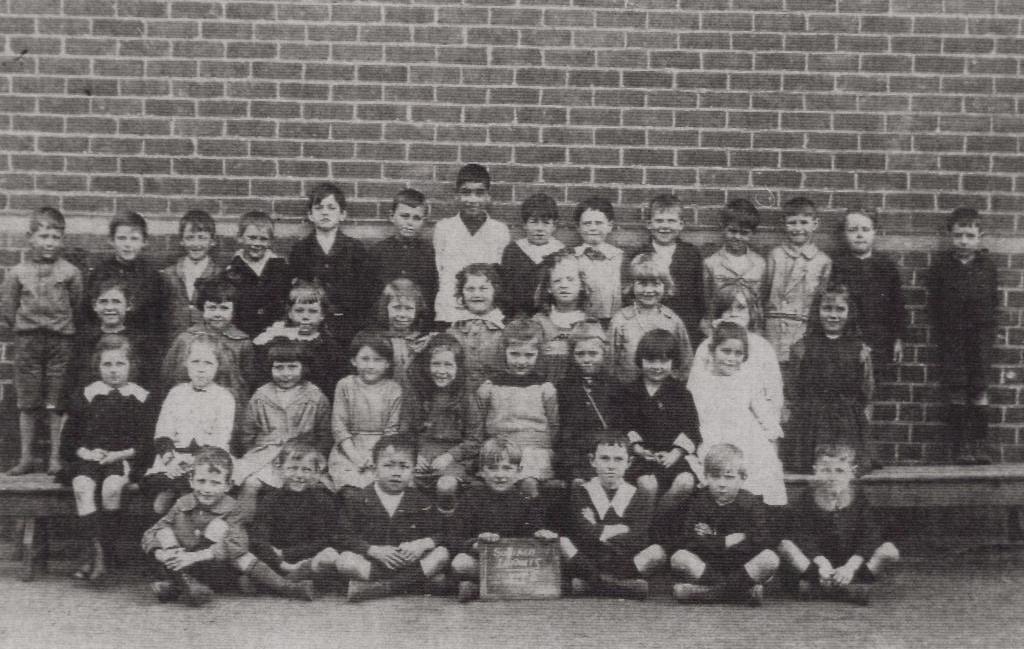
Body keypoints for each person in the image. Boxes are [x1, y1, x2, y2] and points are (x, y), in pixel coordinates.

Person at [141, 447, 315, 606]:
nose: (206, 489)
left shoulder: (233, 508)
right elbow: (151, 532)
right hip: (181, 563)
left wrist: (196, 556)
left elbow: (238, 543)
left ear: (228, 485)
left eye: (215, 483)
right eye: (201, 481)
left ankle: (286, 587)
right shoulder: (182, 504)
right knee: (164, 532)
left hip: (215, 565)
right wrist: (163, 553)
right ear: (191, 480)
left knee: (224, 535)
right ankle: (185, 585)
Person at [60, 334, 154, 583]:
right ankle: (97, 553)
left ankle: (104, 553)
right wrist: (87, 452)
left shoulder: (141, 397)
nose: (113, 371)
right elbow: (69, 441)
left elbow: (147, 442)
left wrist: (119, 454)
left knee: (112, 488)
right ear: (97, 366)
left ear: (131, 365)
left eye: (120, 364)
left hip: (122, 458)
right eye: (107, 365)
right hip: (89, 458)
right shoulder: (87, 395)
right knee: (82, 486)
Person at [311, 435, 450, 602]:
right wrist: (372, 550)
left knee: (441, 554)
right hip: (373, 563)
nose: (396, 473)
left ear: (413, 471)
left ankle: (379, 589)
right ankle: (410, 584)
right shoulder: (358, 499)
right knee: (345, 561)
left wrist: (421, 544)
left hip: (408, 562)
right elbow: (341, 536)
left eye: (404, 467)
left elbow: (442, 532)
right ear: (375, 468)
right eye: (388, 466)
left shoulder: (422, 501)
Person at [0, 206, 84, 475]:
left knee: (56, 401)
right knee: (28, 401)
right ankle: (26, 458)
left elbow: (78, 306)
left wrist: (57, 328)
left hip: (61, 343)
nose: (49, 243)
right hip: (28, 343)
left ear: (63, 239)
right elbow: (8, 310)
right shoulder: (17, 273)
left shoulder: (70, 273)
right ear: (30, 237)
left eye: (55, 237)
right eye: (43, 236)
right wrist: (29, 329)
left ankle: (55, 458)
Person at [778, 443, 900, 605]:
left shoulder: (859, 499)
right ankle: (832, 586)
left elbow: (870, 535)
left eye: (840, 471)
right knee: (785, 545)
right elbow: (802, 535)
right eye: (825, 470)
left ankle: (836, 586)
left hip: (849, 564)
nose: (832, 477)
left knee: (890, 551)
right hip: (818, 565)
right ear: (815, 471)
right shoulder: (807, 498)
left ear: (852, 472)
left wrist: (850, 566)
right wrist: (821, 564)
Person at [927, 207, 999, 464]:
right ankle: (959, 448)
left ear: (980, 236)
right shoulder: (942, 267)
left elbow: (993, 302)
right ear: (950, 235)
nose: (964, 241)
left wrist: (987, 333)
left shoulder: (987, 266)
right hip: (952, 338)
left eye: (970, 235)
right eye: (959, 235)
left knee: (979, 388)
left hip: (979, 338)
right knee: (956, 389)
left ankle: (980, 445)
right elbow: (934, 305)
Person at [665, 444, 780, 605]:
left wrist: (713, 540)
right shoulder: (698, 502)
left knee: (770, 558)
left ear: (742, 478)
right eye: (715, 476)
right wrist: (724, 541)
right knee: (679, 558)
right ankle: (741, 593)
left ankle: (706, 593)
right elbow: (690, 539)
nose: (722, 484)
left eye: (729, 477)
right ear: (706, 476)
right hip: (708, 566)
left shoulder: (751, 503)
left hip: (741, 566)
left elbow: (760, 539)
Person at [559, 431, 667, 600]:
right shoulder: (582, 492)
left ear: (629, 462)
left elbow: (639, 537)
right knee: (563, 542)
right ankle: (614, 586)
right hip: (589, 560)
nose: (611, 465)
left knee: (656, 552)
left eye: (618, 459)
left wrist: (599, 530)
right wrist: (620, 528)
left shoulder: (638, 495)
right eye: (604, 458)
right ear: (592, 460)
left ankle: (590, 585)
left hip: (623, 563)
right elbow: (581, 533)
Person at [689, 322, 787, 505]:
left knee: (762, 465)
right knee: (720, 467)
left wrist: (771, 431)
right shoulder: (701, 383)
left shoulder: (747, 380)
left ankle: (759, 512)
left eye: (738, 353)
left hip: (745, 436)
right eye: (725, 351)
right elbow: (693, 415)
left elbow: (761, 408)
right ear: (712, 352)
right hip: (713, 436)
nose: (731, 358)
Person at [234, 339, 332, 519]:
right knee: (250, 483)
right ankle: (242, 527)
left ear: (303, 367)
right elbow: (247, 432)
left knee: (315, 487)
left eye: (292, 367)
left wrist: (317, 458)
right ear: (270, 369)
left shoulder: (315, 396)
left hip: (303, 457)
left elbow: (324, 434)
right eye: (279, 367)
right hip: (266, 455)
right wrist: (255, 453)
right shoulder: (261, 395)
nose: (285, 373)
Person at [449, 437, 557, 602]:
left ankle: (477, 589)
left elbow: (532, 533)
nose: (500, 475)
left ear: (519, 471)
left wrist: (539, 534)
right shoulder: (470, 498)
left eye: (507, 468)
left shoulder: (525, 501)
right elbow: (455, 537)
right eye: (493, 468)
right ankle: (491, 587)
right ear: (481, 471)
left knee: (546, 563)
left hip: (515, 565)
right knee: (460, 563)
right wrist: (476, 544)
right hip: (483, 561)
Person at [143, 334, 235, 515]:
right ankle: (162, 536)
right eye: (195, 362)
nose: (201, 369)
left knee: (192, 497)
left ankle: (192, 537)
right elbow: (163, 432)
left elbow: (220, 440)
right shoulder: (176, 393)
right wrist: (171, 461)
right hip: (172, 461)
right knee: (160, 505)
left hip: (208, 462)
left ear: (218, 366)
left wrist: (194, 462)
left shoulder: (224, 397)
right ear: (186, 363)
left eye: (208, 363)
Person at [788, 284, 874, 473]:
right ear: (816, 311)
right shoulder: (802, 348)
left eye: (840, 309)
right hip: (812, 421)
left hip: (846, 421)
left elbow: (866, 391)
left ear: (849, 312)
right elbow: (794, 388)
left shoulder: (860, 350)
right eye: (827, 308)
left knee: (844, 463)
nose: (833, 315)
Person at [475, 318, 559, 499]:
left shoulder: (545, 388)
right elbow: (479, 424)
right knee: (497, 479)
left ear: (538, 355)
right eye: (515, 354)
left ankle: (529, 524)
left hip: (535, 450)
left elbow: (554, 425)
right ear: (503, 352)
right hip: (498, 448)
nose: (521, 361)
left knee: (528, 483)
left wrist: (541, 447)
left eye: (529, 355)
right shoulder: (489, 388)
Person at [619, 329, 700, 512]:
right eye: (651, 360)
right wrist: (638, 448)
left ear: (673, 362)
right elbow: (622, 426)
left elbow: (691, 429)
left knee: (685, 482)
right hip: (641, 458)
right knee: (648, 485)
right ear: (641, 360)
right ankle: (642, 530)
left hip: (672, 458)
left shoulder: (681, 394)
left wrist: (676, 453)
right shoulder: (629, 392)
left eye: (664, 361)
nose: (657, 366)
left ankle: (657, 522)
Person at [401, 333, 482, 510]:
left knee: (446, 486)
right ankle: (416, 527)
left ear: (458, 367)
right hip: (421, 456)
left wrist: (450, 456)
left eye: (448, 364)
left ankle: (446, 528)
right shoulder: (417, 395)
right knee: (406, 484)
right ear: (426, 366)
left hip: (453, 459)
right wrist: (414, 455)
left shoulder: (466, 398)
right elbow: (406, 432)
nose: (441, 371)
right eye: (435, 364)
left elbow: (474, 440)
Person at [290, 182, 375, 348]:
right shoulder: (301, 249)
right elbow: (296, 291)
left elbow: (365, 292)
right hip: (311, 326)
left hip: (348, 326)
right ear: (310, 215)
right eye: (319, 208)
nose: (325, 212)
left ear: (342, 214)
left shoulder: (355, 249)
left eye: (331, 207)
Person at [160, 277, 256, 416]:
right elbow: (168, 376)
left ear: (234, 310)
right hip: (189, 406)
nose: (217, 314)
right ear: (202, 308)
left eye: (224, 308)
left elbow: (246, 381)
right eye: (211, 308)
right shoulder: (186, 338)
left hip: (226, 408)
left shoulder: (241, 342)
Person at [247, 441, 337, 580]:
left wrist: (287, 553)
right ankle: (288, 579)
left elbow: (325, 539)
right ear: (280, 469)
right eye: (292, 468)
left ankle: (282, 581)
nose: (299, 475)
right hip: (276, 560)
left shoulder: (322, 501)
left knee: (329, 555)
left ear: (315, 473)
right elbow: (259, 538)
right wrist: (280, 561)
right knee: (255, 552)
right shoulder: (270, 500)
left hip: (307, 558)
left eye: (306, 470)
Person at [433, 164, 510, 325]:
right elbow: (440, 273)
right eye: (466, 192)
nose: (473, 199)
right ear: (457, 196)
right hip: (450, 312)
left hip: (488, 314)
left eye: (479, 193)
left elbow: (499, 278)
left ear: (488, 196)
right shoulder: (444, 228)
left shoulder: (499, 231)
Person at [830, 208, 907, 370]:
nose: (859, 235)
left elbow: (897, 306)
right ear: (844, 233)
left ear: (874, 232)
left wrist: (897, 338)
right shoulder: (836, 267)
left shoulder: (886, 267)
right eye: (852, 230)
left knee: (875, 384)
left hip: (879, 339)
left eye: (865, 229)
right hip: (845, 339)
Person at [83, 210, 169, 352]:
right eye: (122, 238)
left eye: (134, 239)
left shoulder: (153, 277)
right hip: (105, 344)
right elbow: (88, 314)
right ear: (111, 240)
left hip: (141, 345)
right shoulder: (100, 273)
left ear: (144, 241)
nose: (127, 245)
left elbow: (158, 319)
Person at [327, 330, 403, 491]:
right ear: (354, 360)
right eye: (365, 359)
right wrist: (355, 457)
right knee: (351, 489)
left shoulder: (394, 389)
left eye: (378, 360)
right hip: (349, 448)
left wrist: (375, 456)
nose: (370, 366)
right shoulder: (345, 385)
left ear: (388, 363)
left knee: (382, 487)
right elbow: (339, 427)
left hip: (383, 448)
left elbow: (392, 430)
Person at [764, 196, 831, 364]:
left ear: (815, 224)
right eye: (792, 222)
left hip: (803, 329)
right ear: (783, 223)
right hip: (774, 328)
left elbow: (821, 300)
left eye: (804, 222)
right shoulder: (775, 255)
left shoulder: (822, 261)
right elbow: (765, 291)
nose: (798, 228)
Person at [252, 280, 343, 401]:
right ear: (289, 313)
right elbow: (262, 377)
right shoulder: (275, 341)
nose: (305, 316)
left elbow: (331, 384)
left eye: (313, 311)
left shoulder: (328, 345)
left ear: (322, 315)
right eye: (299, 311)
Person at [609, 253, 692, 385]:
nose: (649, 290)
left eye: (655, 284)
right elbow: (610, 362)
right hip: (627, 391)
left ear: (665, 286)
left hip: (664, 391)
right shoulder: (621, 320)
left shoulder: (673, 321)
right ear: (631, 285)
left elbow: (685, 360)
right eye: (642, 284)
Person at [633, 194, 704, 343]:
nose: (665, 226)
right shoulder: (639, 254)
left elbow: (699, 293)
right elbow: (630, 292)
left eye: (671, 221)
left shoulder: (691, 254)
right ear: (649, 224)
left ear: (681, 224)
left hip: (684, 324)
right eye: (659, 221)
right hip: (647, 324)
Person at [556, 322, 621, 484]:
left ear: (604, 353)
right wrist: (573, 466)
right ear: (572, 355)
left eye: (593, 353)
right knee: (578, 484)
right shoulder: (564, 386)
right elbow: (564, 432)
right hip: (574, 456)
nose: (586, 360)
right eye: (580, 354)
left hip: (606, 455)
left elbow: (620, 427)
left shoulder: (615, 386)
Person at [70, 279, 156, 394]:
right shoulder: (84, 341)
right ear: (94, 305)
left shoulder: (141, 341)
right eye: (103, 302)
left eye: (116, 301)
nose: (109, 307)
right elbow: (75, 380)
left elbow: (150, 381)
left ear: (128, 305)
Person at [371, 188, 438, 325]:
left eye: (416, 218)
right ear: (392, 216)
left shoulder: (429, 253)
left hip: (418, 325)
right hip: (384, 324)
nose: (410, 223)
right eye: (405, 216)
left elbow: (432, 293)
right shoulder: (377, 252)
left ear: (424, 221)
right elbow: (368, 294)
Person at [221, 210, 292, 339]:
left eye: (263, 239)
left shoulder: (281, 269)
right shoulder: (231, 270)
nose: (257, 244)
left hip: (274, 335)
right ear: (240, 237)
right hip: (241, 335)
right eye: (252, 237)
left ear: (270, 241)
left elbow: (287, 301)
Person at [702, 198, 766, 332]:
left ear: (753, 233)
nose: (737, 236)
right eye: (732, 231)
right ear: (723, 228)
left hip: (749, 326)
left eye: (744, 233)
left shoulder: (759, 263)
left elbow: (760, 300)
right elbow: (707, 299)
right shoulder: (711, 263)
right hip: (720, 325)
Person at [501, 192, 565, 317]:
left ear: (554, 226)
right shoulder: (513, 251)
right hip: (518, 316)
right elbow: (506, 289)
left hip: (551, 316)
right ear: (524, 224)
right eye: (533, 222)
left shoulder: (560, 252)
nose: (539, 228)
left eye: (546, 223)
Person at [532, 249, 590, 384]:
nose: (564, 285)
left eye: (570, 279)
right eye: (557, 281)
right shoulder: (539, 322)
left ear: (581, 285)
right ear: (549, 288)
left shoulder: (589, 322)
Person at [160, 209, 220, 337]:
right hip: (175, 340)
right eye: (190, 238)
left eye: (202, 238)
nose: (196, 244)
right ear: (181, 240)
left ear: (212, 241)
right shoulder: (169, 274)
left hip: (207, 342)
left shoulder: (219, 275)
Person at [447, 262, 507, 390]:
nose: (477, 294)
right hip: (460, 394)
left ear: (495, 291)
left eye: (483, 288)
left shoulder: (505, 329)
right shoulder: (453, 330)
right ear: (461, 293)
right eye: (470, 289)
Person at [571, 197, 625, 327]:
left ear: (610, 226)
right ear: (578, 227)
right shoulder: (572, 257)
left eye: (599, 223)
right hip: (581, 321)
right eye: (587, 223)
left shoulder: (619, 257)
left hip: (615, 321)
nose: (593, 228)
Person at [373, 278, 431, 390]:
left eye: (409, 308)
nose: (402, 314)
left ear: (417, 310)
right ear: (386, 308)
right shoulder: (377, 340)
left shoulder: (423, 342)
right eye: (396, 307)